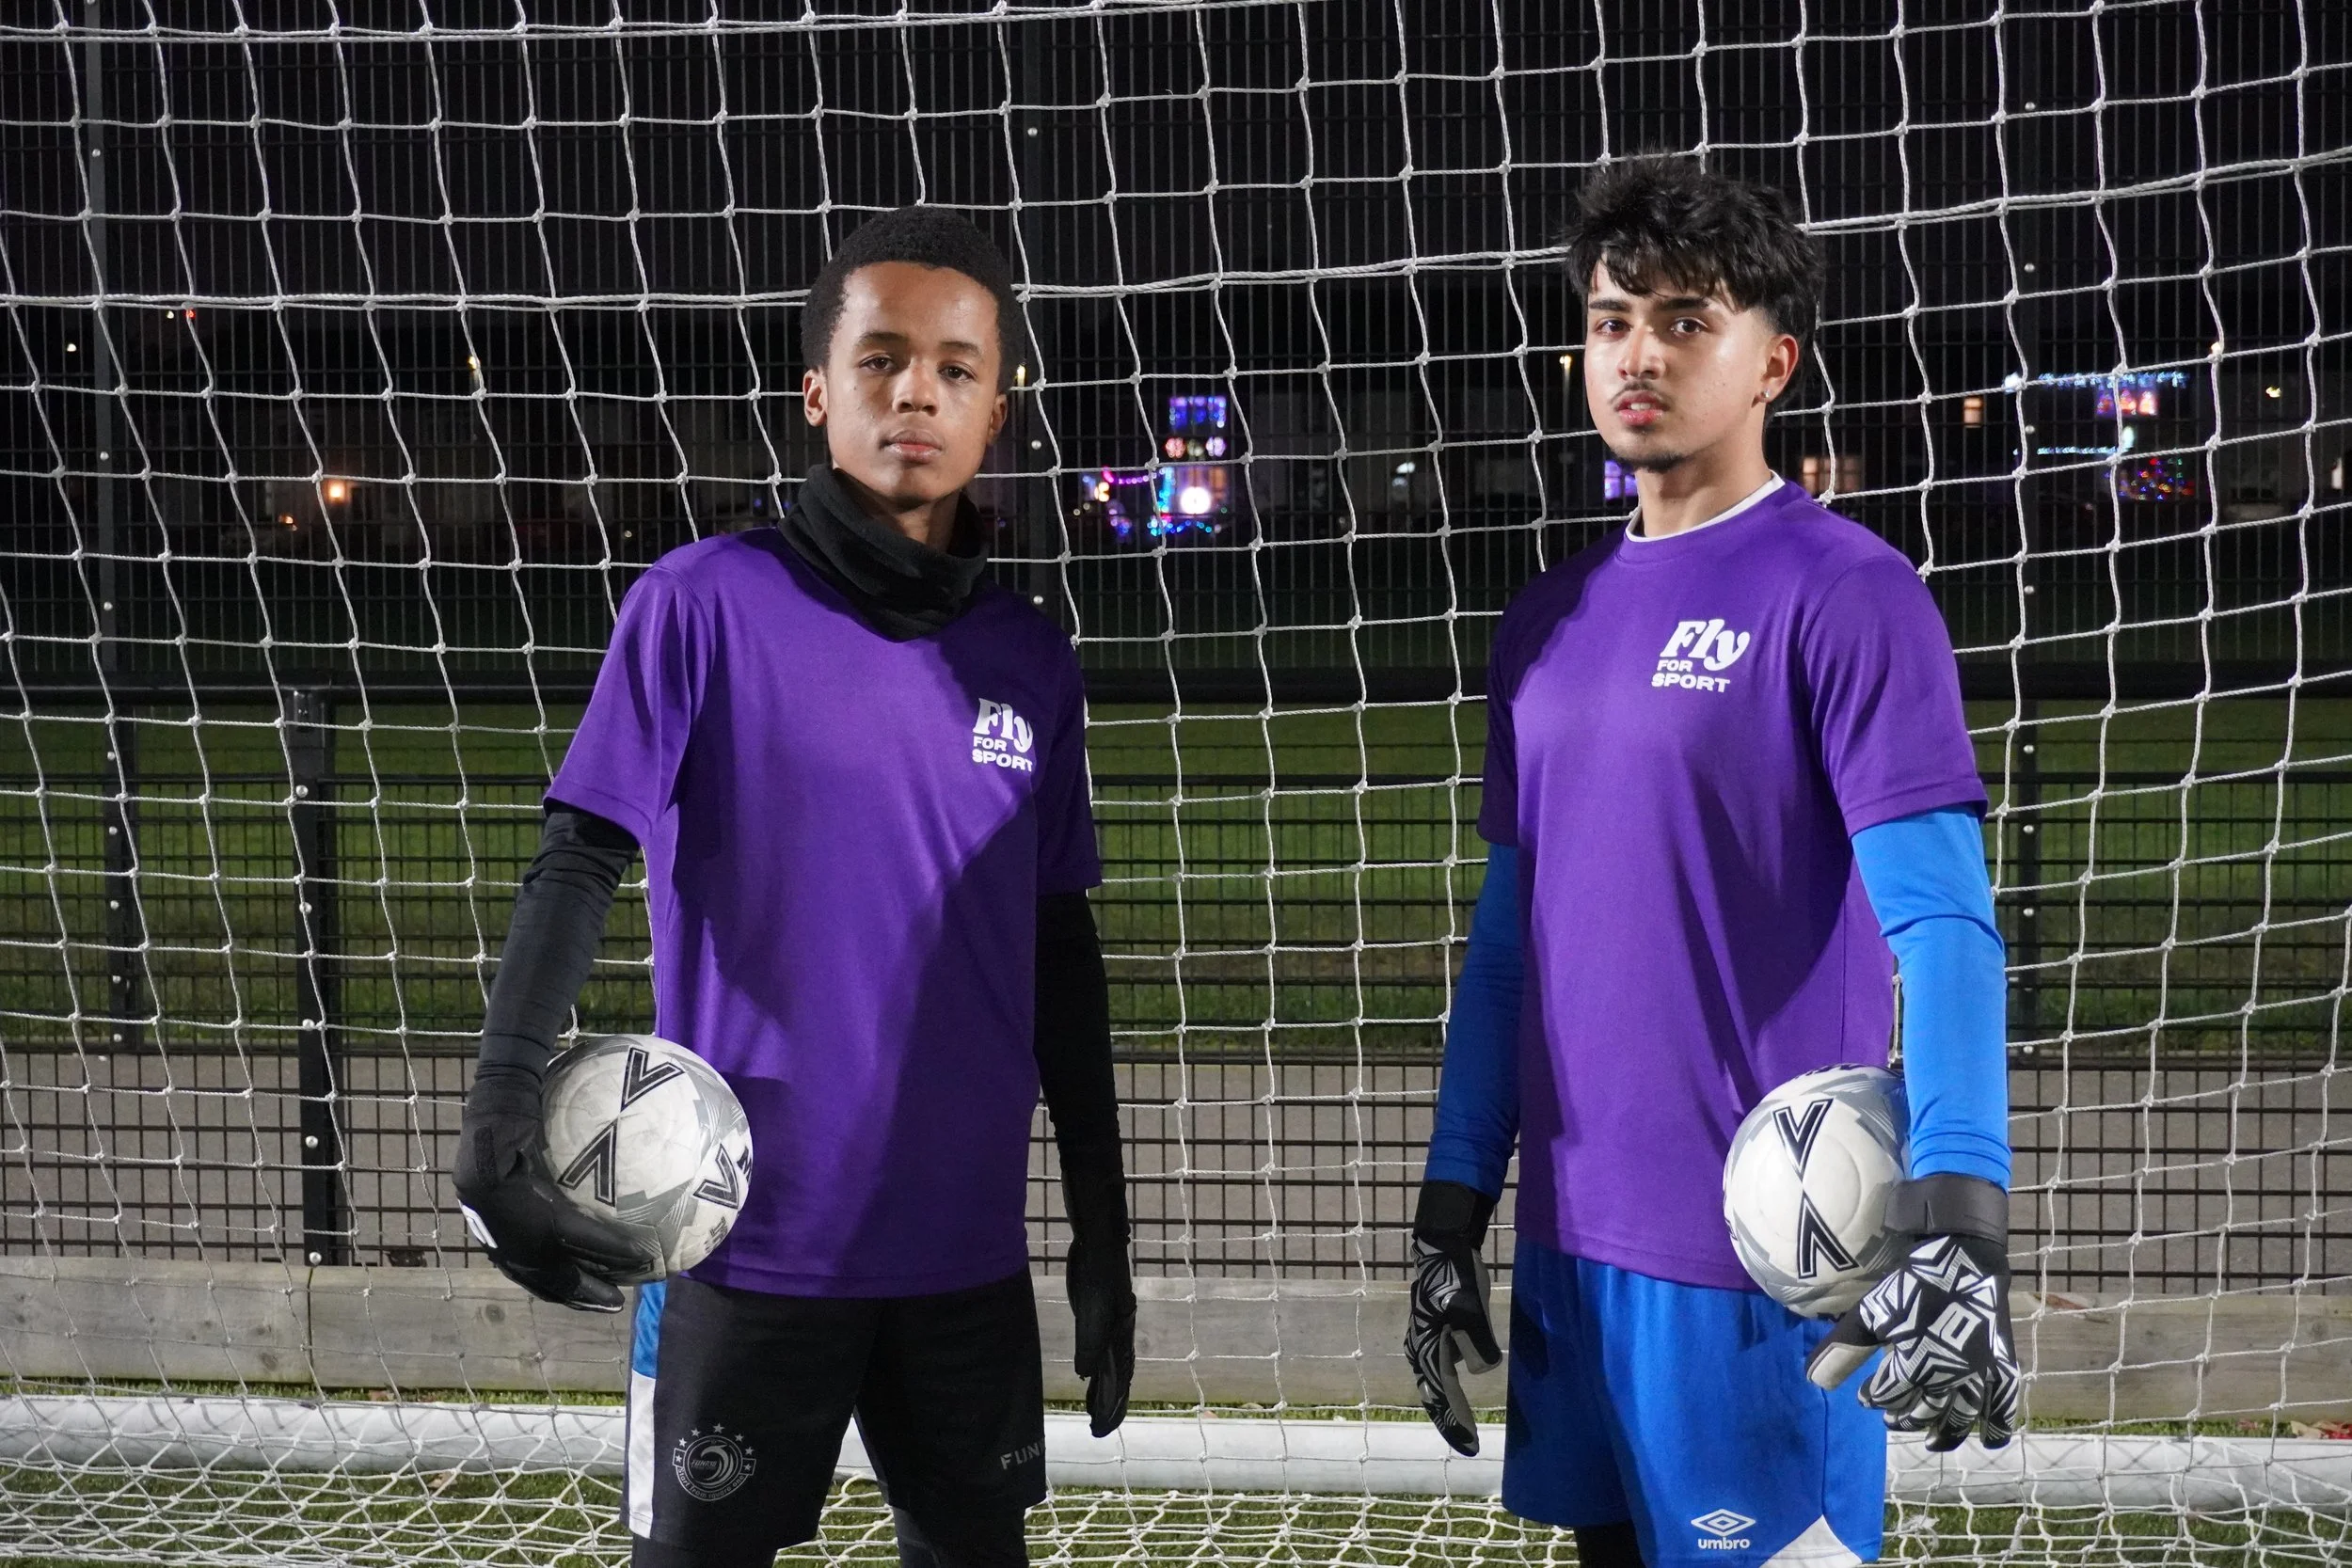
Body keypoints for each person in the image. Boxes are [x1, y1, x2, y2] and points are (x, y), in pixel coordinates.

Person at [451, 206, 1135, 1568]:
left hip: (963, 1264)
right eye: (880, 359)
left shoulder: (1030, 658)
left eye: (955, 366)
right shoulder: (702, 604)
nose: (916, 392)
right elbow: (580, 853)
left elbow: (1059, 949)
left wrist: (1104, 1231)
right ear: (819, 392)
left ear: (998, 407)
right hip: (738, 1254)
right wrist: (498, 1112)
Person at [1405, 156, 2018, 1568]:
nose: (1641, 352)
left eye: (1689, 321)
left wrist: (1963, 1209)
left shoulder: (1847, 593)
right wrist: (1455, 1197)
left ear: (1773, 363)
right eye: (1615, 318)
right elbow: (1513, 944)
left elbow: (1946, 929)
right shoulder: (1546, 621)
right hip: (1573, 1253)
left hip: (1762, 1267)